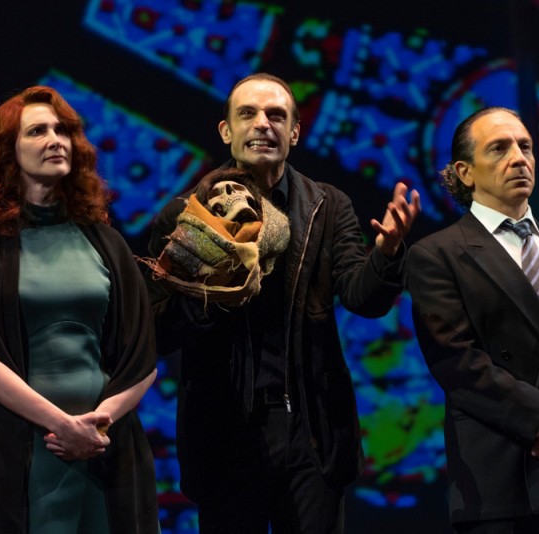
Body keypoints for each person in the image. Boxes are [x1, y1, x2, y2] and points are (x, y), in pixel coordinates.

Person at [147, 72, 421, 533]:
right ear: (226, 131)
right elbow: (158, 330)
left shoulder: (327, 206)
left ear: (294, 132)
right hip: (225, 430)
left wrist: (387, 255)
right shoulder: (184, 214)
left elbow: (362, 296)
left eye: (277, 115)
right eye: (247, 114)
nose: (263, 124)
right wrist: (209, 288)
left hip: (311, 430)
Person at [0, 86, 159, 533]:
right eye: (38, 131)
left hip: (105, 439)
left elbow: (142, 356)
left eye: (63, 130)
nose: (56, 140)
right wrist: (62, 426)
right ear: (7, 152)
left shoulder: (105, 241)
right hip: (26, 441)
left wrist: (96, 426)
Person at [405, 107, 539, 533]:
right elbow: (454, 358)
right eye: (499, 148)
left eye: (525, 146)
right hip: (495, 475)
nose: (519, 158)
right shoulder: (438, 254)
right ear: (465, 173)